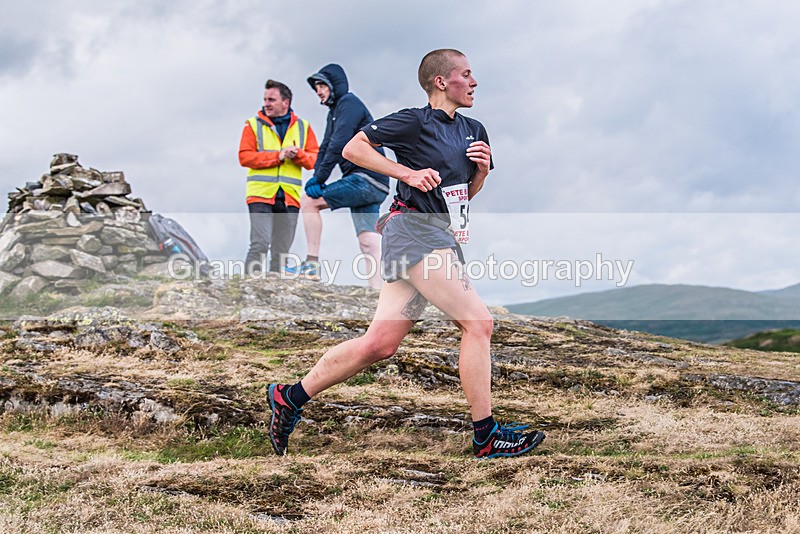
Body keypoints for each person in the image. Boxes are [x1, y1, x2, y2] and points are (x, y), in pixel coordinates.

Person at [267, 49, 545, 459]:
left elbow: (461, 197)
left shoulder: (474, 128)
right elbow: (353, 149)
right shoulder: (415, 121)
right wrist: (406, 173)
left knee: (379, 344)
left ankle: (290, 395)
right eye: (466, 74)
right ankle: (486, 435)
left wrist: (482, 172)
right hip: (412, 232)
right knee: (479, 324)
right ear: (440, 81)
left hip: (440, 232)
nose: (474, 82)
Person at [295, 64, 390, 288]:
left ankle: (311, 264)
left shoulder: (348, 103)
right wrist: (317, 176)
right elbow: (326, 145)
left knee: (309, 201)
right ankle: (378, 292)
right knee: (368, 241)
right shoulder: (335, 111)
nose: (318, 91)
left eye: (322, 85)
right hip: (377, 184)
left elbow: (338, 144)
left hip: (365, 179)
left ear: (334, 85)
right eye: (316, 87)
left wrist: (319, 179)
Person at [238, 79, 319, 274]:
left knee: (281, 251)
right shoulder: (252, 125)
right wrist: (278, 156)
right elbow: (244, 157)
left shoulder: (303, 127)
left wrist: (298, 154)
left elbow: (314, 160)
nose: (266, 103)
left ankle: (274, 292)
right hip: (260, 194)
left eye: (271, 99)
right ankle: (249, 287)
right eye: (265, 99)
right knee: (260, 244)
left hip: (289, 196)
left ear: (286, 102)